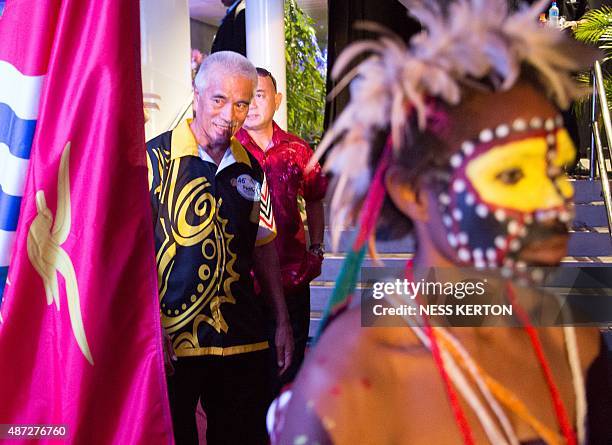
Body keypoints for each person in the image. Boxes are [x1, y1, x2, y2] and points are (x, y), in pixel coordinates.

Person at [271, 1, 609, 444]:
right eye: (511, 174)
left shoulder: (578, 348)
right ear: (412, 193)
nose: (556, 198)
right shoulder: (354, 378)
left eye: (556, 168)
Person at [146, 51, 293, 445]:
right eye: (219, 100)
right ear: (196, 95)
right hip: (174, 341)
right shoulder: (152, 161)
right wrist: (149, 325)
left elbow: (264, 247)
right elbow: (132, 253)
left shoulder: (252, 170)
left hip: (241, 336)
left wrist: (280, 319)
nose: (230, 115)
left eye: (242, 103)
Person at [236, 68, 328, 390]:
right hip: (243, 282)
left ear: (277, 100)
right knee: (251, 376)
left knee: (291, 367)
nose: (253, 104)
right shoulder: (229, 150)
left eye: (260, 95)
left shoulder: (297, 150)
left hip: (291, 276)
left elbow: (316, 199)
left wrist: (316, 250)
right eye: (247, 98)